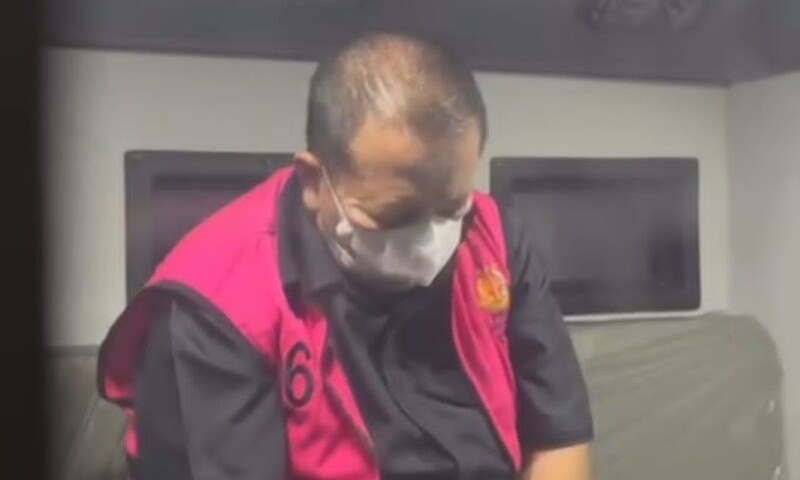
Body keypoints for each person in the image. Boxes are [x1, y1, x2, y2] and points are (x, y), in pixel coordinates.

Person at [98, 33, 594, 480]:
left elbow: (559, 439)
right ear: (314, 181)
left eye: (450, 208)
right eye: (395, 216)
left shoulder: (495, 238)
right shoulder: (220, 304)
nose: (430, 243)